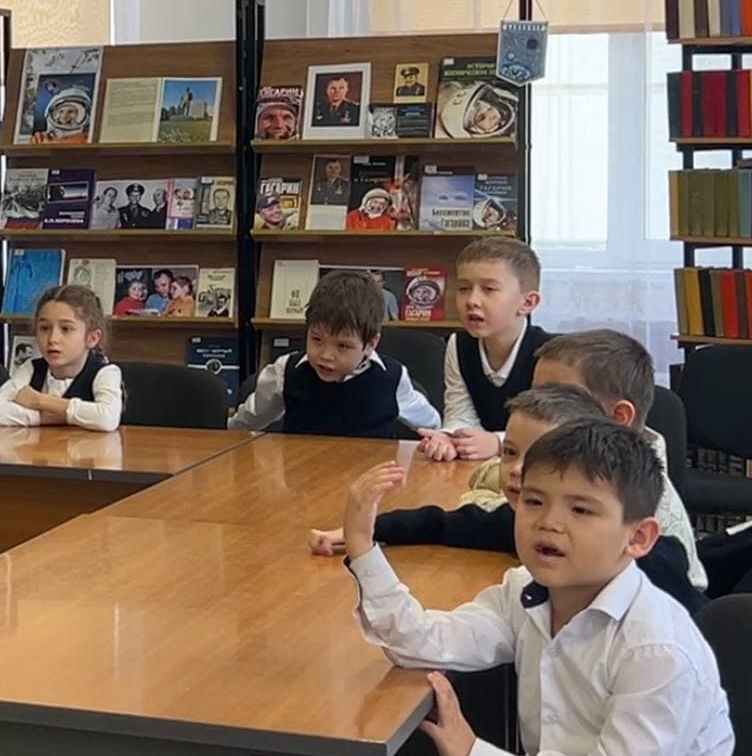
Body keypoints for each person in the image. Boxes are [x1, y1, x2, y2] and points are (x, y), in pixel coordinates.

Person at [342, 420, 732, 756]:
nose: (548, 522)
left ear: (638, 538)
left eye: (580, 509)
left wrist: (473, 749)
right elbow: (421, 641)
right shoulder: (526, 591)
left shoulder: (656, 651)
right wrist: (362, 547)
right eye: (533, 501)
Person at [307, 384, 703, 612]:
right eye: (510, 452)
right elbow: (446, 523)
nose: (516, 470)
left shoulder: (644, 564)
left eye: (539, 457)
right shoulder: (527, 521)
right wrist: (367, 529)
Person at [527, 330, 707, 592]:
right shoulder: (587, 467)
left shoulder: (628, 494)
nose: (536, 411)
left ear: (618, 417)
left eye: (557, 401)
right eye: (535, 397)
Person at [229, 269, 439, 436]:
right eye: (317, 339)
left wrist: (440, 438)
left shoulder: (391, 377)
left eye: (342, 346)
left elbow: (430, 423)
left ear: (370, 344)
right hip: (303, 472)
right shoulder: (286, 371)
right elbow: (248, 420)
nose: (326, 355)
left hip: (372, 473)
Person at [421, 237, 547, 463]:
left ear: (527, 303)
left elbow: (554, 429)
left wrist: (499, 443)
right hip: (477, 467)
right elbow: (460, 413)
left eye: (489, 289)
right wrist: (449, 438)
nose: (472, 300)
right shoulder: (458, 344)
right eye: (464, 288)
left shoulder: (550, 354)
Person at [0, 285, 122, 431]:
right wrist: (46, 418)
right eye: (44, 328)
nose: (52, 339)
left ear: (92, 338)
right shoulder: (31, 368)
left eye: (66, 329)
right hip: (39, 445)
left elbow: (107, 419)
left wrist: (40, 400)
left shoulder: (106, 372)